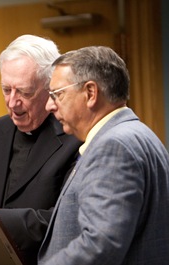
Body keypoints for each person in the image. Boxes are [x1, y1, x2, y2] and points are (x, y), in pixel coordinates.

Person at [0, 35, 82, 264]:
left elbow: (65, 221)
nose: (12, 102)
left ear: (49, 88)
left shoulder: (75, 138)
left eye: (24, 92)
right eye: (6, 90)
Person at [37, 46, 169, 264]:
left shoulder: (113, 146)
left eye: (57, 94)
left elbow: (100, 245)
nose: (50, 105)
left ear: (90, 93)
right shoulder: (138, 133)